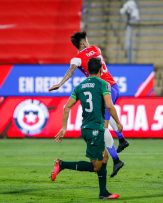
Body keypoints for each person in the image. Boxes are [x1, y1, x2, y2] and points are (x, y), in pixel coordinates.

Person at [49, 31, 129, 177]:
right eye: (87, 40)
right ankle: (121, 140)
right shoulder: (96, 49)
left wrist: (60, 83)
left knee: (102, 127)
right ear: (84, 42)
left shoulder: (77, 59)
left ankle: (117, 157)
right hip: (114, 87)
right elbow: (90, 55)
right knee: (104, 118)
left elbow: (71, 71)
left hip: (105, 89)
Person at [50, 58, 123, 199]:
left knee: (105, 156)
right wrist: (118, 122)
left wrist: (64, 127)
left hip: (87, 128)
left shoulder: (79, 87)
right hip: (95, 128)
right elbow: (109, 105)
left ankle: (103, 193)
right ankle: (62, 164)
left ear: (88, 70)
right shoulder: (104, 84)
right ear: (101, 69)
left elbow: (67, 108)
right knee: (96, 166)